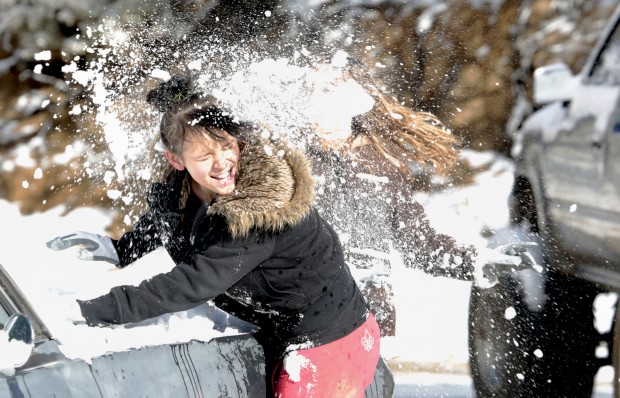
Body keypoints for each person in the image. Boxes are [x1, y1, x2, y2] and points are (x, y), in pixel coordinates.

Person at [47, 75, 382, 397]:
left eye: (227, 147)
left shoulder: (259, 213)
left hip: (330, 342)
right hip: (288, 334)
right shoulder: (189, 189)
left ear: (239, 142)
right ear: (175, 160)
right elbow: (170, 220)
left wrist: (94, 310)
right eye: (206, 157)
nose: (222, 164)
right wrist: (119, 249)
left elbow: (191, 284)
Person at [300, 55, 537, 336]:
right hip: (302, 316)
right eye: (312, 89)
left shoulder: (383, 165)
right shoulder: (287, 160)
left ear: (354, 96)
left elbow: (420, 245)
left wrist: (476, 262)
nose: (320, 97)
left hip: (365, 319)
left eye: (331, 87)